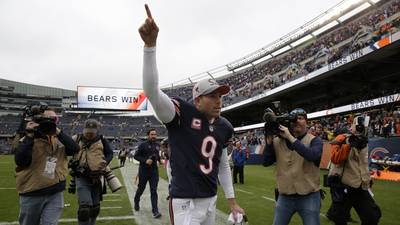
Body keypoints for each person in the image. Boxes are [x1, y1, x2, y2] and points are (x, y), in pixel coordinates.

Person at [139, 4, 245, 224]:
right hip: (185, 202)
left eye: (220, 96)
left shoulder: (224, 126)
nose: (218, 101)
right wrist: (150, 47)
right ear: (197, 100)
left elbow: (222, 164)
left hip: (210, 198)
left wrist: (232, 201)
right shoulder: (182, 114)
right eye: (212, 96)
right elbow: (151, 92)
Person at [14, 107, 80, 225]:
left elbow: (74, 148)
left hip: (55, 191)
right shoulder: (28, 139)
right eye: (46, 119)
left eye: (54, 119)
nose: (50, 122)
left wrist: (57, 131)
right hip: (33, 191)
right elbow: (21, 161)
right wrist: (29, 135)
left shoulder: (59, 139)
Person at [263, 108, 323, 225]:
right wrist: (269, 141)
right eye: (294, 120)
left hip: (309, 195)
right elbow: (266, 162)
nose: (297, 122)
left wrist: (290, 137)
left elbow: (312, 156)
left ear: (307, 122)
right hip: (285, 196)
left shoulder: (315, 140)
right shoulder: (277, 141)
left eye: (300, 118)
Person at [327, 116, 381, 225]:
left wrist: (367, 179)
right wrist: (348, 145)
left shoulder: (364, 141)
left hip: (360, 185)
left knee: (372, 216)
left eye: (363, 127)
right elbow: (335, 159)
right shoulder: (341, 138)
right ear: (353, 126)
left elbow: (363, 163)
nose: (361, 129)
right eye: (359, 126)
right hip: (343, 185)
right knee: (339, 218)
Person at [70, 119, 114, 225]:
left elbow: (110, 154)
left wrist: (105, 162)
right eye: (87, 132)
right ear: (84, 129)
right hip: (81, 176)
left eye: (92, 132)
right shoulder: (76, 138)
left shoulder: (102, 140)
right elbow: (65, 150)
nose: (89, 134)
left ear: (97, 130)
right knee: (84, 208)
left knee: (95, 208)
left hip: (97, 177)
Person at [133, 128, 162, 219]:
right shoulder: (142, 145)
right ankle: (136, 201)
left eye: (155, 134)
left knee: (153, 191)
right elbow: (136, 156)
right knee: (141, 189)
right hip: (144, 171)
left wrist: (159, 160)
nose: (154, 136)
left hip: (154, 172)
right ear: (148, 135)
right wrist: (145, 160)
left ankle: (155, 211)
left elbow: (157, 155)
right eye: (152, 134)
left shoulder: (157, 145)